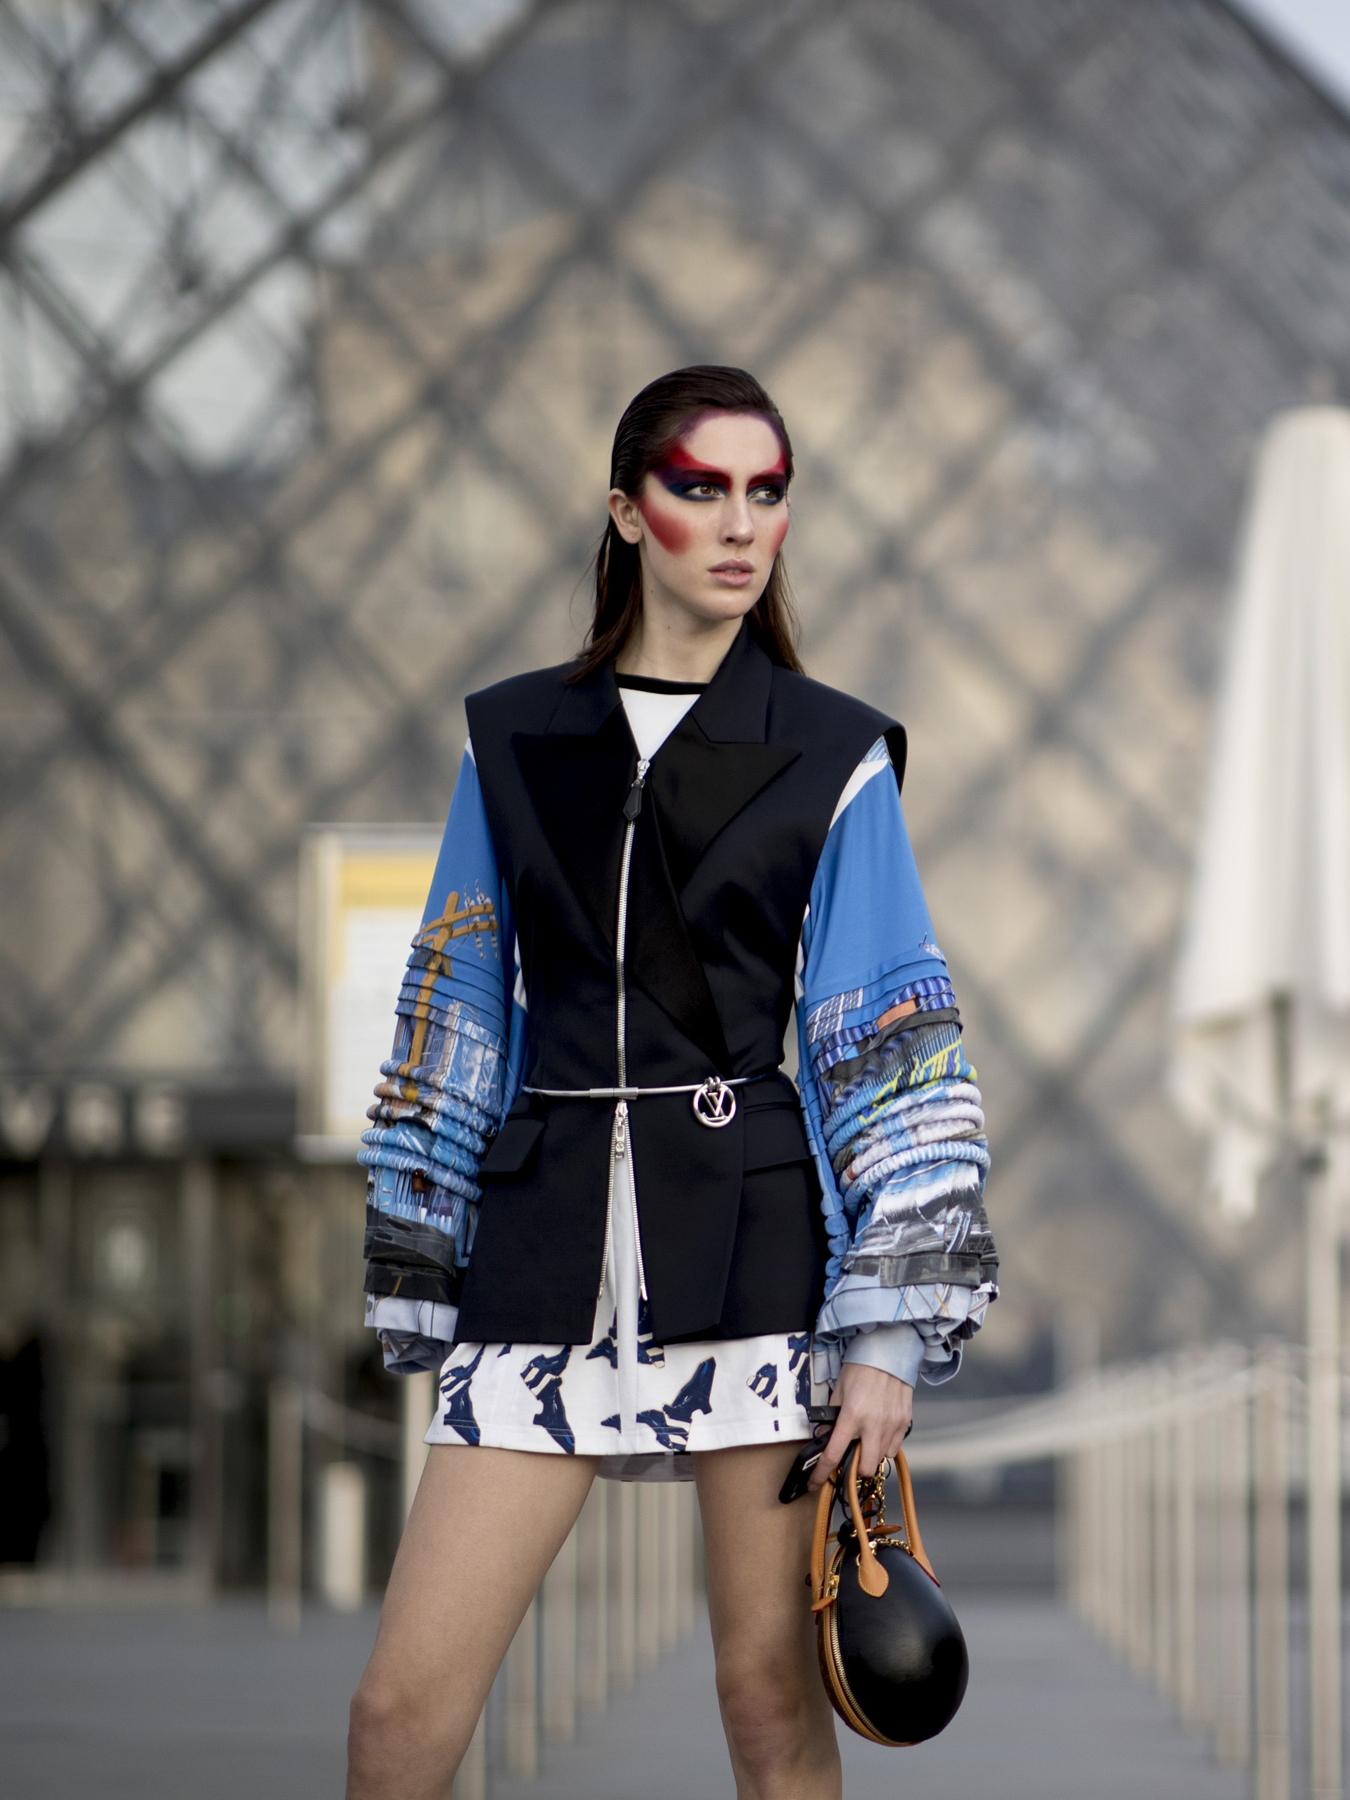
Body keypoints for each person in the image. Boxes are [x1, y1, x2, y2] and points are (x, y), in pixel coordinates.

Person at [345, 365, 998, 1799]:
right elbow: (450, 1004)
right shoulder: (511, 739)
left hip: (758, 1256)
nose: (738, 520)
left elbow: (895, 1045)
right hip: (540, 1246)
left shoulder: (836, 754)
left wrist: (885, 1337)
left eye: (767, 490)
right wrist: (420, 1241)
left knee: (769, 1704)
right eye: (700, 486)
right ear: (626, 510)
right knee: (397, 1719)